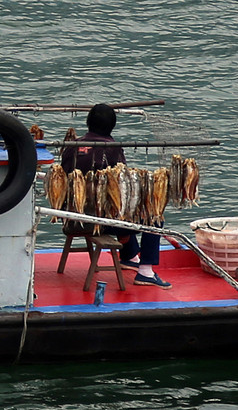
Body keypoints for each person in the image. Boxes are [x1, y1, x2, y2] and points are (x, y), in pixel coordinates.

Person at [61, 103, 168, 287]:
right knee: (153, 216)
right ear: (112, 126)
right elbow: (121, 186)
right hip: (97, 222)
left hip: (71, 216)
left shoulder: (72, 146)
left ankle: (129, 256)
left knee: (125, 208)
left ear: (88, 123)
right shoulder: (113, 148)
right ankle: (146, 272)